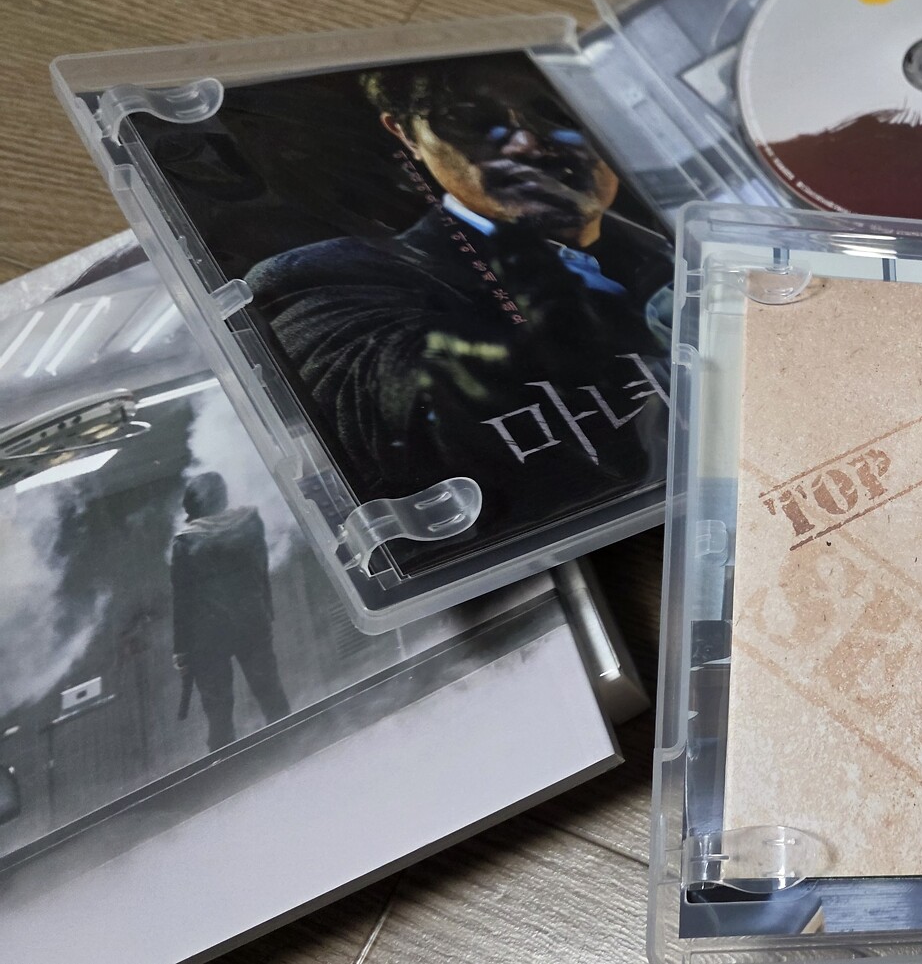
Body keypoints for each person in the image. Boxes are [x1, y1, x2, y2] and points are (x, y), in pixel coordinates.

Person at [244, 56, 673, 533]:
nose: (528, 143)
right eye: (469, 119)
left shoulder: (679, 242)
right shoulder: (324, 278)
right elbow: (394, 409)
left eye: (557, 112)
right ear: (406, 135)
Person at [170, 472, 290, 751]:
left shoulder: (185, 543)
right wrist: (266, 611)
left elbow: (182, 601)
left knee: (218, 711)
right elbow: (261, 570)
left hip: (208, 636)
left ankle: (225, 763)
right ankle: (291, 743)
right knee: (271, 694)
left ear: (192, 507)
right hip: (253, 621)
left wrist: (181, 650)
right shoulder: (250, 523)